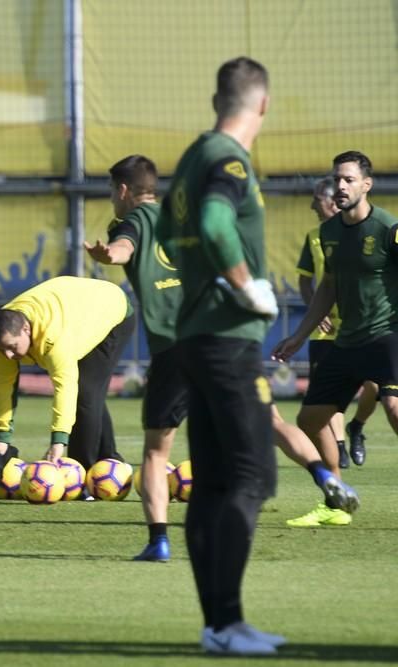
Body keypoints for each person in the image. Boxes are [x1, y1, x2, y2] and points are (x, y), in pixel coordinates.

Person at [156, 57, 355, 656]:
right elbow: (217, 221)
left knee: (215, 482)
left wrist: (206, 279)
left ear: (217, 98)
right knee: (250, 476)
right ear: (263, 105)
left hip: (191, 334)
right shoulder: (230, 160)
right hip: (227, 341)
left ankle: (218, 625)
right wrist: (243, 282)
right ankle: (229, 622)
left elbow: (167, 235)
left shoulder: (193, 155)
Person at [274, 150, 398, 525]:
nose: (340, 186)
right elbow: (328, 286)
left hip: (385, 335)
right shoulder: (328, 233)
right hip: (346, 342)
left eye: (347, 179)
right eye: (337, 179)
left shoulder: (388, 228)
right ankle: (335, 503)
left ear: (366, 184)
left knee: (394, 408)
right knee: (310, 419)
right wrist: (298, 335)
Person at [84, 154, 186, 562]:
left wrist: (107, 254)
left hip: (174, 349)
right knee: (260, 424)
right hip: (217, 341)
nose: (112, 198)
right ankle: (325, 475)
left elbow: (123, 248)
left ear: (124, 190)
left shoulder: (133, 221)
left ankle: (158, 541)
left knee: (155, 454)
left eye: (112, 191)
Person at [0, 276, 135, 473]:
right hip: (75, 312)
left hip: (111, 308)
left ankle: (81, 473)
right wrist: (1, 438)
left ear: (26, 329)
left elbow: (65, 388)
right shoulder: (2, 339)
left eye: (12, 347)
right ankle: (112, 461)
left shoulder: (54, 339)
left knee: (85, 391)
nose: (8, 355)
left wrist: (58, 442)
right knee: (90, 393)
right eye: (2, 349)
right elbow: (4, 386)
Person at [296, 176, 378, 469]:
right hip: (325, 330)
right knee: (329, 392)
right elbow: (307, 282)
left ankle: (357, 426)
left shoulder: (370, 229)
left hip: (365, 326)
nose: (312, 206)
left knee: (375, 386)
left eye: (317, 200)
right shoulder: (315, 235)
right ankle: (339, 446)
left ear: (332, 200)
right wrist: (314, 314)